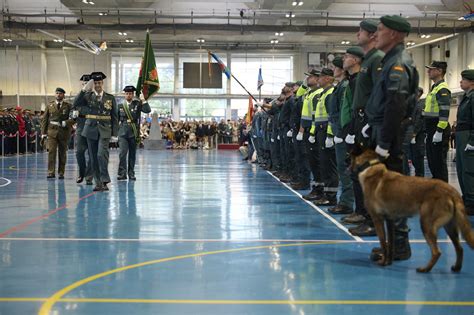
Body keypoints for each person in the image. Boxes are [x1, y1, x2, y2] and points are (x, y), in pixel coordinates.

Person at [365, 15, 419, 261]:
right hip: (381, 131)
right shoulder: (389, 61)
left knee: (393, 194)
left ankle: (399, 246)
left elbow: (396, 105)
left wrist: (384, 143)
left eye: (380, 30)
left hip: (390, 137)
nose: (375, 35)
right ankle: (393, 244)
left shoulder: (398, 62)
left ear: (395, 34)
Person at [346, 19, 385, 235]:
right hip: (362, 120)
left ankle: (373, 222)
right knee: (362, 172)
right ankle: (367, 217)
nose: (357, 34)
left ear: (371, 35)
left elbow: (381, 93)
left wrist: (370, 121)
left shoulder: (377, 59)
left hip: (370, 121)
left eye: (360, 31)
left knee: (371, 174)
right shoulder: (370, 60)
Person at [74, 72, 118, 191]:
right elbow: (75, 103)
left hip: (105, 129)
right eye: (95, 83)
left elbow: (114, 116)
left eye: (99, 82)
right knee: (93, 157)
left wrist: (115, 134)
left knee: (101, 154)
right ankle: (98, 182)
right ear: (93, 84)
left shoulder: (110, 97)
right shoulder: (87, 96)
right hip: (90, 129)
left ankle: (104, 180)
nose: (97, 85)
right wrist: (83, 90)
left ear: (102, 83)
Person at [327, 56, 354, 215]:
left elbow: (346, 111)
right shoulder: (340, 86)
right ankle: (345, 201)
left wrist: (343, 133)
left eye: (335, 67)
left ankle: (347, 203)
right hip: (338, 130)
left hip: (343, 132)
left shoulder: (344, 86)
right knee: (342, 167)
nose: (333, 70)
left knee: (344, 168)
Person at [423, 61, 451, 182]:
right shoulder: (434, 88)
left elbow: (444, 111)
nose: (428, 71)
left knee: (439, 164)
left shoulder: (442, 88)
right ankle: (437, 194)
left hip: (437, 127)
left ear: (439, 71)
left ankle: (443, 194)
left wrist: (439, 130)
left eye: (431, 69)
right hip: (431, 128)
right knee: (433, 163)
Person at [117, 85, 151, 181]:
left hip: (134, 132)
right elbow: (116, 120)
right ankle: (122, 173)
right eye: (127, 93)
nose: (129, 95)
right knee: (122, 153)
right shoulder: (120, 105)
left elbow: (148, 110)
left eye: (130, 94)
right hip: (122, 132)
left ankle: (131, 173)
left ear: (133, 94)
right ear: (124, 94)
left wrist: (143, 100)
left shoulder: (137, 104)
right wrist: (114, 134)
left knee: (132, 154)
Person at [40, 87, 73, 179]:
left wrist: (66, 123)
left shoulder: (68, 106)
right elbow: (44, 120)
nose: (58, 95)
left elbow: (73, 118)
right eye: (57, 93)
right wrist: (43, 133)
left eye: (60, 93)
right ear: (55, 94)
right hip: (52, 132)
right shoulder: (49, 106)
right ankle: (51, 172)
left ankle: (61, 172)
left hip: (64, 132)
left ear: (63, 95)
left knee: (62, 153)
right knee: (51, 152)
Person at [455, 69, 474, 215]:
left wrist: (472, 140)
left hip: (468, 135)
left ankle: (472, 203)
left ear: (472, 82)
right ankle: (466, 198)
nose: (461, 82)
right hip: (461, 135)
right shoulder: (466, 97)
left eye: (464, 79)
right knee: (461, 169)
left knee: (469, 170)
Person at [72, 74, 94, 185]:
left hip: (92, 127)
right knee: (79, 152)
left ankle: (89, 176)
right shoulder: (79, 97)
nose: (86, 85)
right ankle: (81, 172)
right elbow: (74, 104)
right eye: (84, 83)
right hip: (81, 127)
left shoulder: (94, 96)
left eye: (87, 83)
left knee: (91, 154)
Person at [409, 87, 426, 177]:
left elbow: (419, 120)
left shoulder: (421, 104)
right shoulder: (413, 105)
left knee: (418, 157)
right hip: (412, 135)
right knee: (413, 158)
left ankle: (420, 178)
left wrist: (414, 133)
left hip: (418, 136)